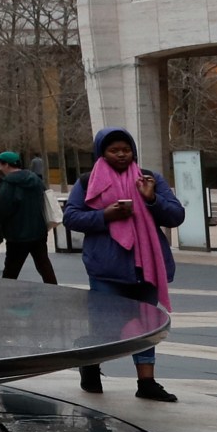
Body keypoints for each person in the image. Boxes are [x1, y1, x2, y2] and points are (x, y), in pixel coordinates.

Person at [66, 127, 185, 402]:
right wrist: (105, 215)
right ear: (101, 153)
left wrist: (151, 199)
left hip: (147, 266)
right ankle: (91, 365)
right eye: (114, 150)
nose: (121, 154)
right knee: (104, 325)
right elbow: (71, 217)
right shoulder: (87, 182)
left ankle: (146, 382)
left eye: (126, 149)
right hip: (107, 267)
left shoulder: (149, 178)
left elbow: (176, 215)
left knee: (145, 323)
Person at [0, 151, 57, 284]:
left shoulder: (8, 184)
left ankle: (7, 297)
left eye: (0, 164)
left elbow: (2, 209)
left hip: (17, 235)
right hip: (38, 232)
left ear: (7, 165)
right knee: (43, 265)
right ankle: (55, 290)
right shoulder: (36, 179)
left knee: (11, 271)